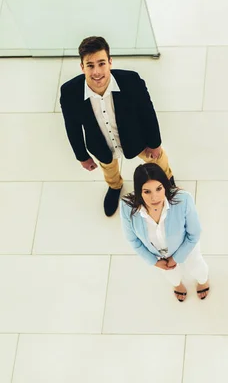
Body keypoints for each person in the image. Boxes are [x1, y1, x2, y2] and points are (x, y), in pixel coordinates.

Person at [60, 36, 175, 217]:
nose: (96, 72)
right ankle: (115, 186)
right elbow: (72, 126)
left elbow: (147, 113)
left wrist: (154, 143)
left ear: (110, 62)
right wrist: (82, 156)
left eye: (101, 63)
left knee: (158, 159)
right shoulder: (69, 92)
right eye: (90, 65)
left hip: (136, 138)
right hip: (101, 143)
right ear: (82, 67)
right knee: (108, 167)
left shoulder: (131, 81)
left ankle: (167, 180)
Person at [120, 163, 209, 302]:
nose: (154, 197)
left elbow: (194, 234)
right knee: (171, 276)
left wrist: (176, 258)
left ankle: (203, 281)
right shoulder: (127, 208)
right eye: (147, 191)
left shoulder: (183, 199)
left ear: (165, 186)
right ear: (139, 191)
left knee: (196, 266)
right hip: (159, 256)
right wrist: (153, 261)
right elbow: (133, 240)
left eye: (159, 188)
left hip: (187, 245)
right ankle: (177, 285)